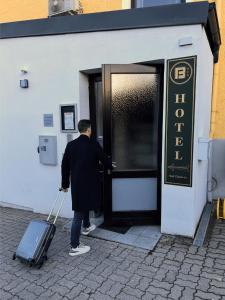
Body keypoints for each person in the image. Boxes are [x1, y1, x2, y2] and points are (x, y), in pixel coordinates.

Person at [61, 119, 113, 256]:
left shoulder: (71, 145)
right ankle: (74, 246)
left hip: (77, 184)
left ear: (80, 129)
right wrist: (110, 165)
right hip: (90, 183)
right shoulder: (93, 144)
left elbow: (64, 166)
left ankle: (87, 226)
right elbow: (104, 158)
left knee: (82, 206)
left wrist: (65, 184)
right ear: (89, 129)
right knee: (78, 214)